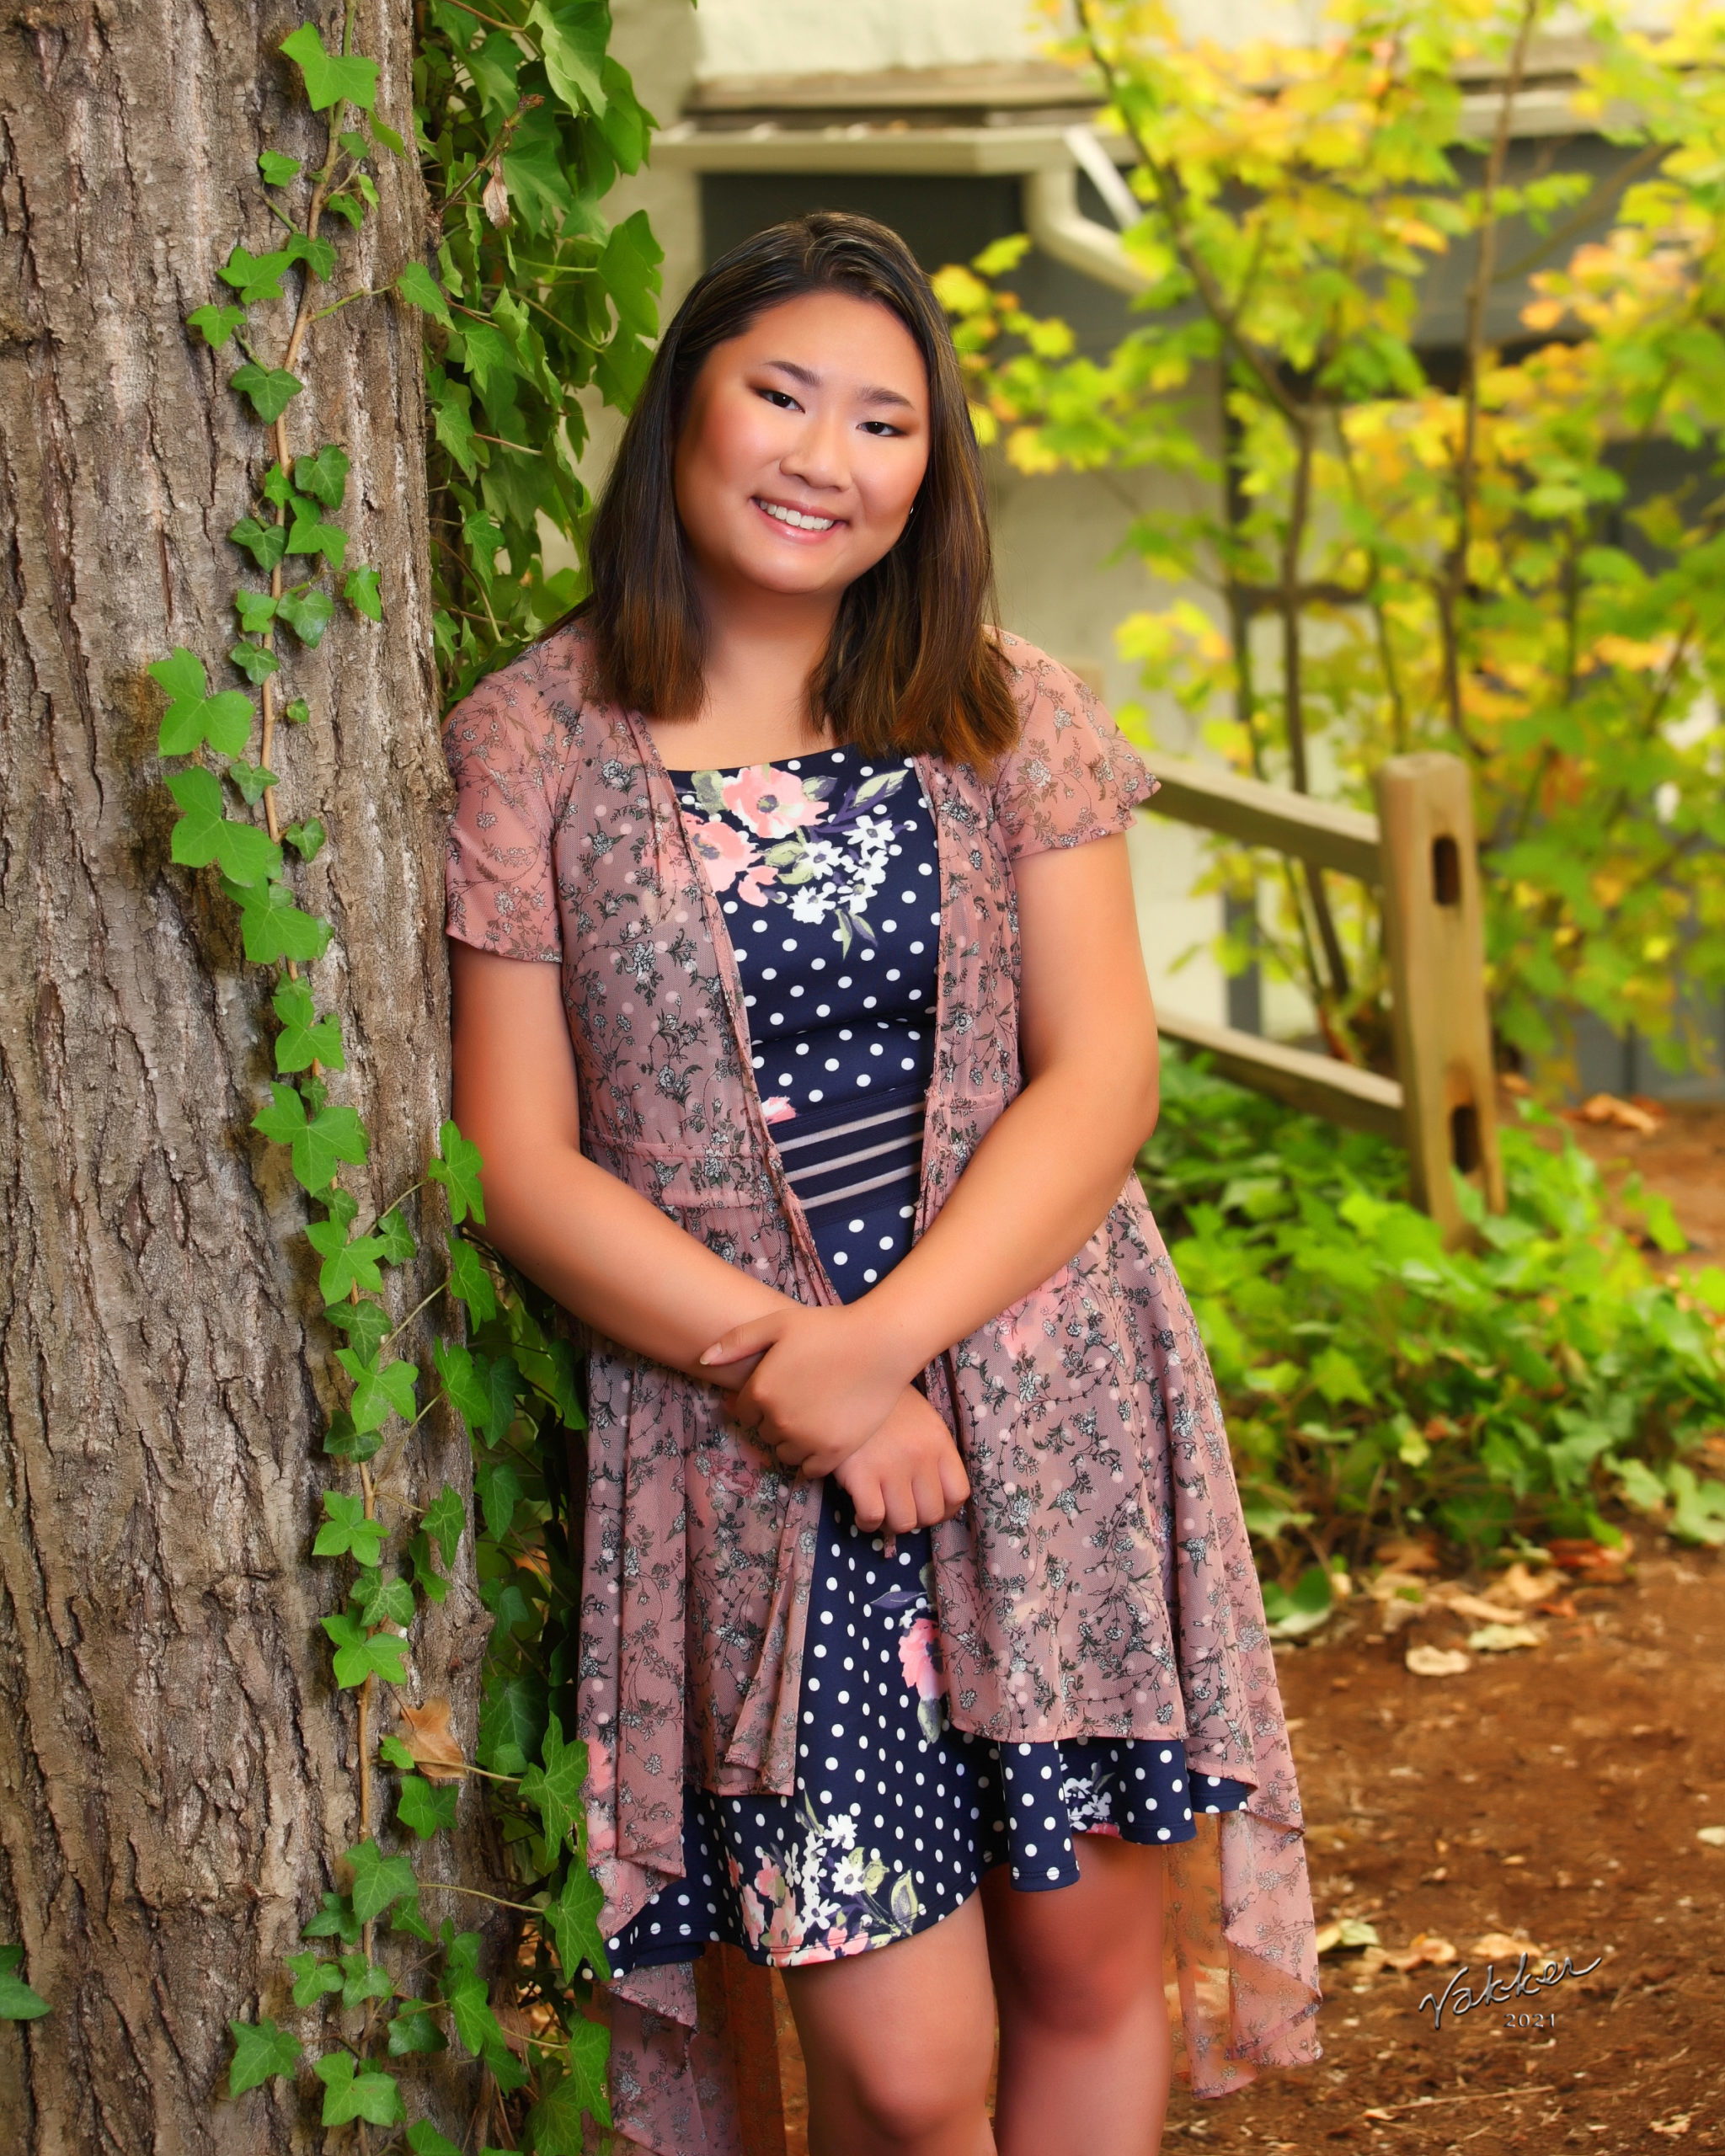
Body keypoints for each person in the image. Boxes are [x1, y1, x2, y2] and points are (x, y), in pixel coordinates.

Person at [444, 212, 1319, 2156]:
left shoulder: (1008, 707)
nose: (823, 457)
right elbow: (513, 1153)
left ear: (932, 471)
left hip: (1043, 1402)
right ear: (681, 406)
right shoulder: (530, 743)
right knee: (910, 2077)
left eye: (883, 422)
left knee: (1092, 1974)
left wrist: (885, 1351)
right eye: (779, 396)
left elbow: (1103, 1078)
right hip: (747, 1460)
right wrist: (799, 1376)